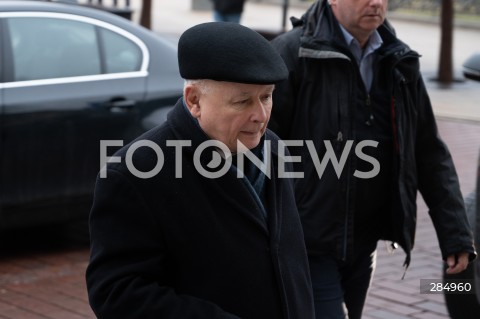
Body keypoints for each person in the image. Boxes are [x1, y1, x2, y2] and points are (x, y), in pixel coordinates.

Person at [86, 22, 315, 319]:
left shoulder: (273, 146)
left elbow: (288, 259)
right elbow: (117, 293)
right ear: (194, 100)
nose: (260, 115)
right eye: (242, 101)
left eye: (267, 96)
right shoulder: (133, 172)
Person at [267, 0, 477, 318]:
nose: (376, 2)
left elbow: (428, 151)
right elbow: (259, 148)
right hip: (308, 241)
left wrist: (455, 234)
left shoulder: (398, 59)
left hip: (365, 240)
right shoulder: (293, 53)